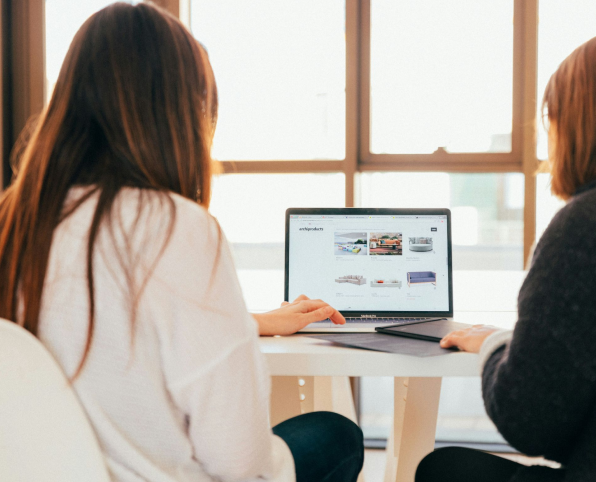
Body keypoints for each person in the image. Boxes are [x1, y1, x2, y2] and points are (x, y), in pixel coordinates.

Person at [0, 3, 363, 481]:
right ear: (181, 112)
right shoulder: (177, 227)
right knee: (336, 435)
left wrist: (249, 322)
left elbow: (104, 328)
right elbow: (241, 464)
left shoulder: (17, 219)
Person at [416, 31, 596, 482]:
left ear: (576, 124)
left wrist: (495, 345)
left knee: (442, 469)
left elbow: (529, 420)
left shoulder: (594, 223)